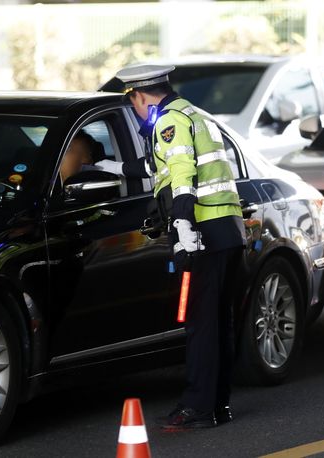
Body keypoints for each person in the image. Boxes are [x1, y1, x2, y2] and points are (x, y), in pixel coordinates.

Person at [108, 64, 245, 430]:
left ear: (139, 96)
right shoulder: (192, 114)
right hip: (227, 231)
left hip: (202, 232)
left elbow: (182, 173)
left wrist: (183, 225)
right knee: (218, 323)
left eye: (132, 102)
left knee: (200, 324)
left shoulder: (168, 120)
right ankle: (217, 405)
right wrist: (111, 167)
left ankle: (197, 409)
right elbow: (159, 166)